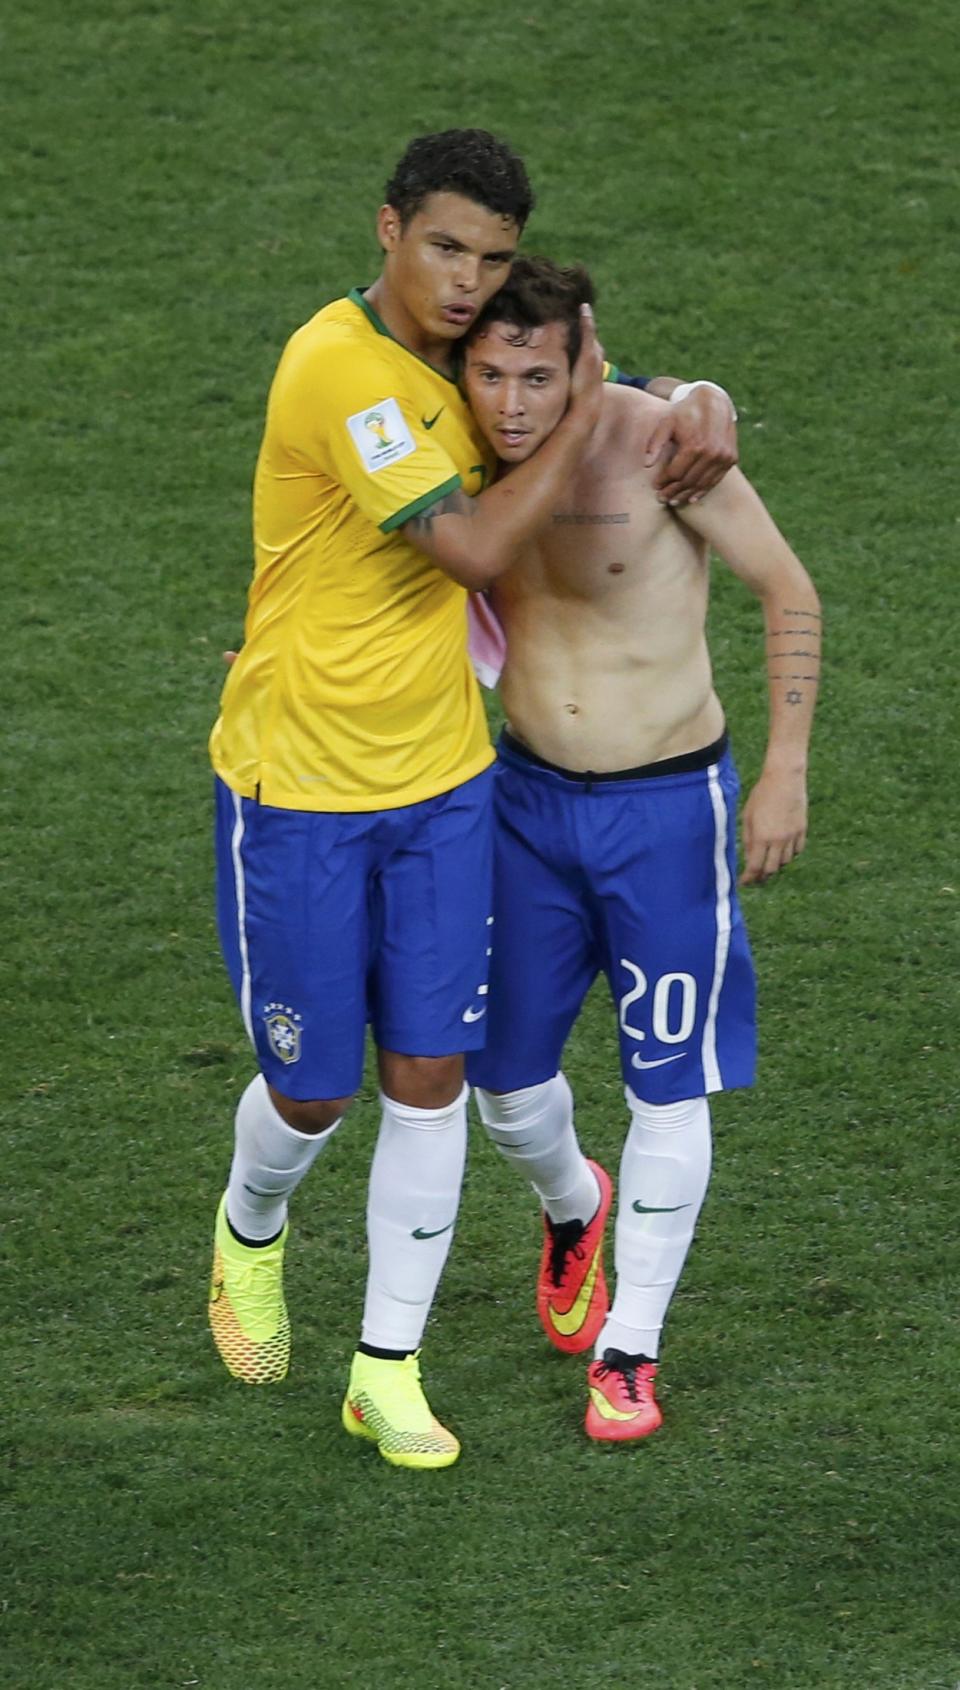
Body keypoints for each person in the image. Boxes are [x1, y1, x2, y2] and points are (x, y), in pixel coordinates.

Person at [207, 129, 738, 1471]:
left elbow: (541, 366)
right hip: (302, 783)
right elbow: (477, 546)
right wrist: (603, 398)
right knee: (316, 1089)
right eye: (446, 247)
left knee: (430, 1078)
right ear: (386, 229)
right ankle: (250, 1226)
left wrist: (688, 391)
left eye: (488, 258)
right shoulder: (341, 368)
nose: (465, 281)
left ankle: (387, 1365)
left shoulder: (464, 354)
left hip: (448, 784)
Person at [460, 257, 821, 1441]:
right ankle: (576, 1205)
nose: (512, 403)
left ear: (586, 362)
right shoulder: (449, 441)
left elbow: (787, 588)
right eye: (493, 373)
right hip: (524, 808)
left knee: (667, 1076)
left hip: (666, 814)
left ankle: (630, 1350)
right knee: (502, 1084)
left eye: (538, 376)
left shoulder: (667, 445)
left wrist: (783, 769)